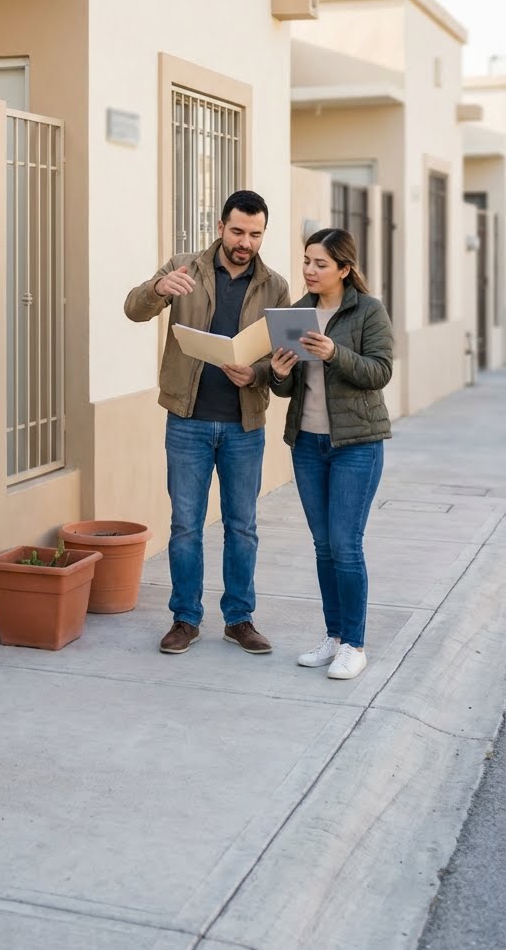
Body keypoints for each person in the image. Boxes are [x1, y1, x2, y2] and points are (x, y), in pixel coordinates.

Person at [124, 190, 290, 655]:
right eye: (238, 231)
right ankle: (185, 619)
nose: (246, 242)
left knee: (242, 526)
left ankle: (239, 619)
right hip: (188, 420)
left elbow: (284, 359)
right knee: (185, 526)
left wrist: (255, 372)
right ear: (220, 227)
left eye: (255, 235)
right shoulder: (184, 267)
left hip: (244, 423)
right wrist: (157, 291)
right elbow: (133, 309)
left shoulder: (275, 286)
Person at [268, 228, 392, 680]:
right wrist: (279, 372)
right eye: (306, 261)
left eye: (320, 263)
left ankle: (355, 645)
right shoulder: (297, 312)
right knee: (323, 547)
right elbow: (285, 385)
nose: (309, 270)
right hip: (307, 444)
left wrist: (335, 352)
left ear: (344, 268)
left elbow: (380, 372)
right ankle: (334, 637)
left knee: (345, 544)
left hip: (356, 446)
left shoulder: (367, 311)